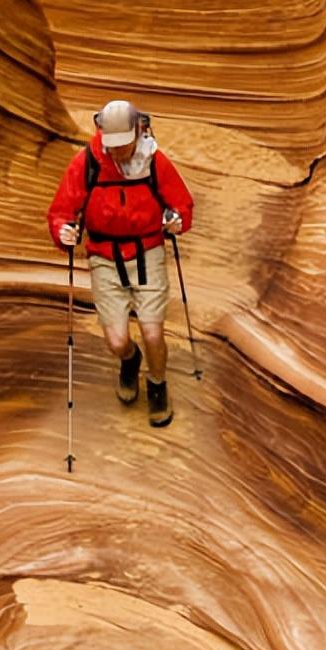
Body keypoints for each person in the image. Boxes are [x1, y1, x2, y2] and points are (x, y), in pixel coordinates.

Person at [47, 100, 194, 426]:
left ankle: (157, 384)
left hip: (147, 251)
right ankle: (130, 359)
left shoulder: (154, 161)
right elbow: (61, 211)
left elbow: (181, 204)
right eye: (111, 146)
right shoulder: (87, 162)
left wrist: (176, 220)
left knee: (153, 332)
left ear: (138, 132)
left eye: (123, 145)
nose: (117, 153)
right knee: (115, 340)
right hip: (104, 255)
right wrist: (64, 231)